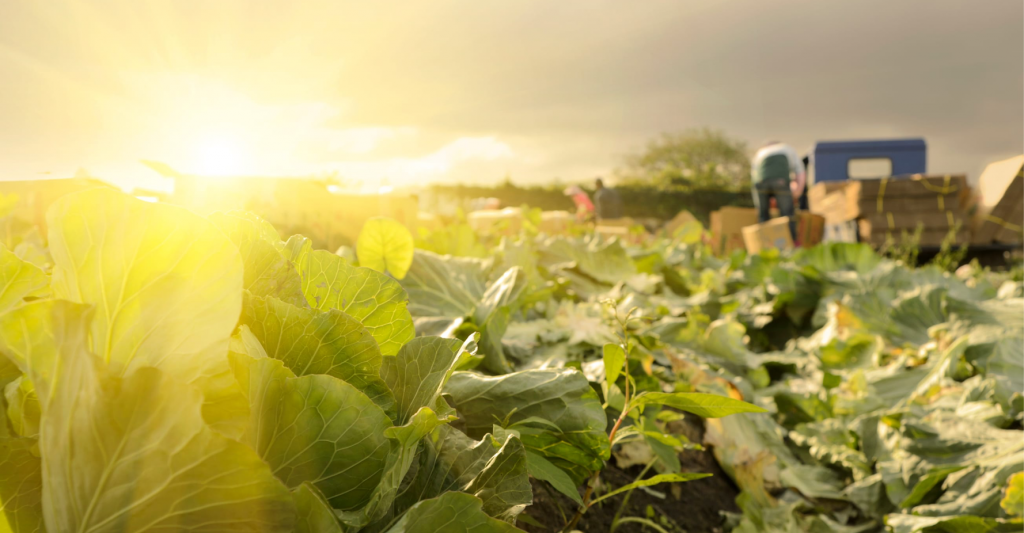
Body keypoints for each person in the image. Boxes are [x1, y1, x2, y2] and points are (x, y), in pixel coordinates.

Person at [751, 141, 805, 239]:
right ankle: (791, 245)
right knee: (787, 214)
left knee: (763, 215)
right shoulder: (787, 148)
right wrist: (797, 192)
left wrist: (761, 202)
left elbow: (753, 175)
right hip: (780, 181)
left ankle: (764, 245)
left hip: (760, 183)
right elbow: (800, 171)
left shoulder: (760, 152)